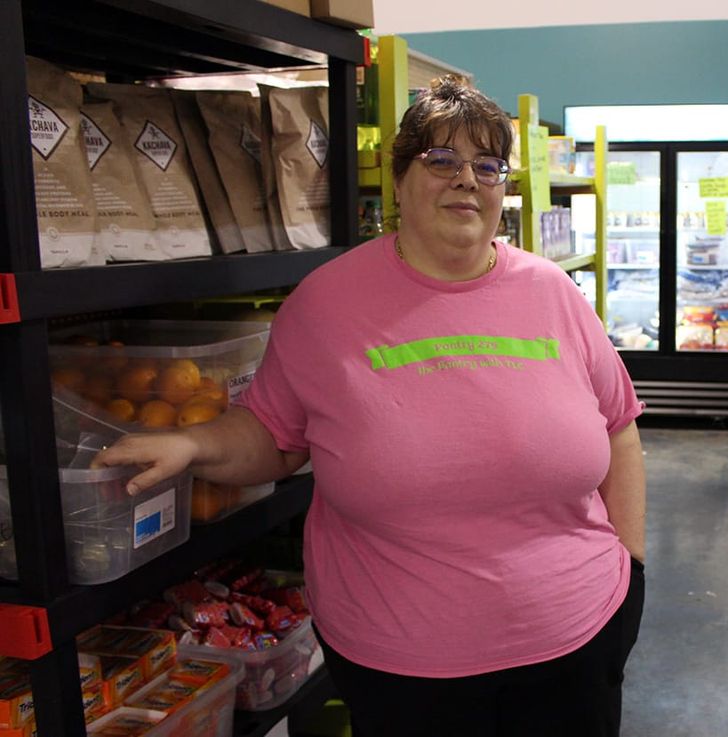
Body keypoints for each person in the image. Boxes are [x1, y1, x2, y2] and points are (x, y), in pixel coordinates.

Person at [94, 75, 647, 735]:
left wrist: (633, 568)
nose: (466, 179)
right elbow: (272, 433)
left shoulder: (553, 293)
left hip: (577, 639)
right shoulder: (326, 303)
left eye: (487, 165)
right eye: (441, 160)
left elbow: (619, 427)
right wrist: (193, 443)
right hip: (401, 664)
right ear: (399, 178)